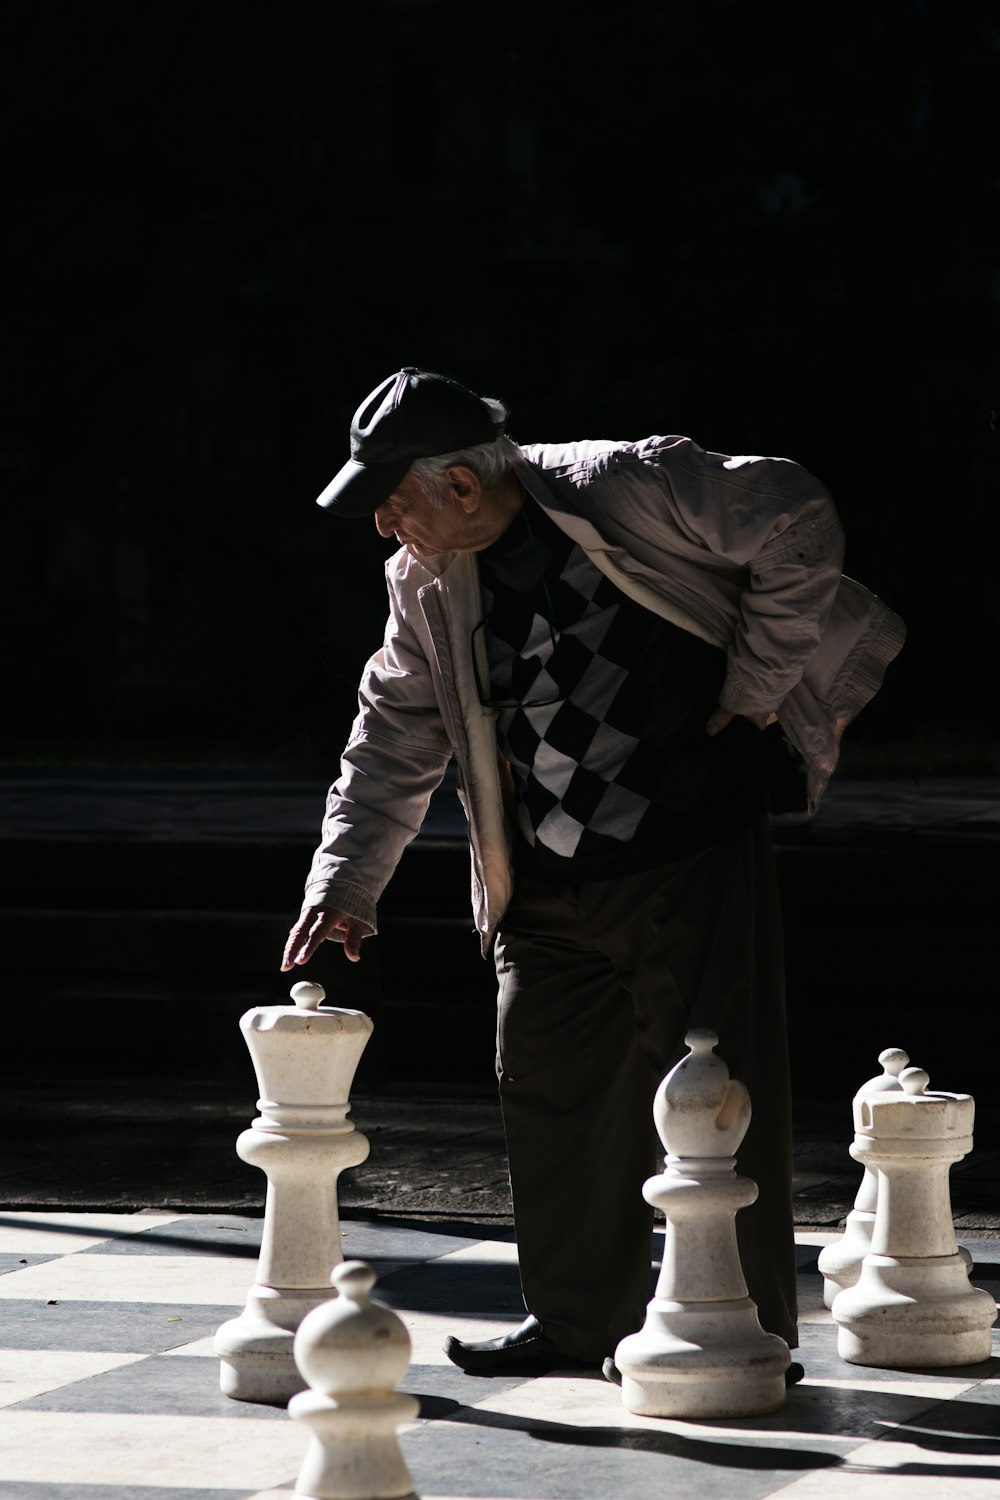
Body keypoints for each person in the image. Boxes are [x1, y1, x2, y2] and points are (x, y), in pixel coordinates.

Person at [281, 366, 904, 1380]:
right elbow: (392, 731)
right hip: (541, 880)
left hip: (687, 851)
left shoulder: (626, 482)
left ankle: (735, 1326)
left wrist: (756, 684)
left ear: (463, 488)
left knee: (719, 1098)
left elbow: (796, 516)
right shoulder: (424, 582)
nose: (384, 528)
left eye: (394, 502)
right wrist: (344, 885)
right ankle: (576, 1321)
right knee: (548, 1091)